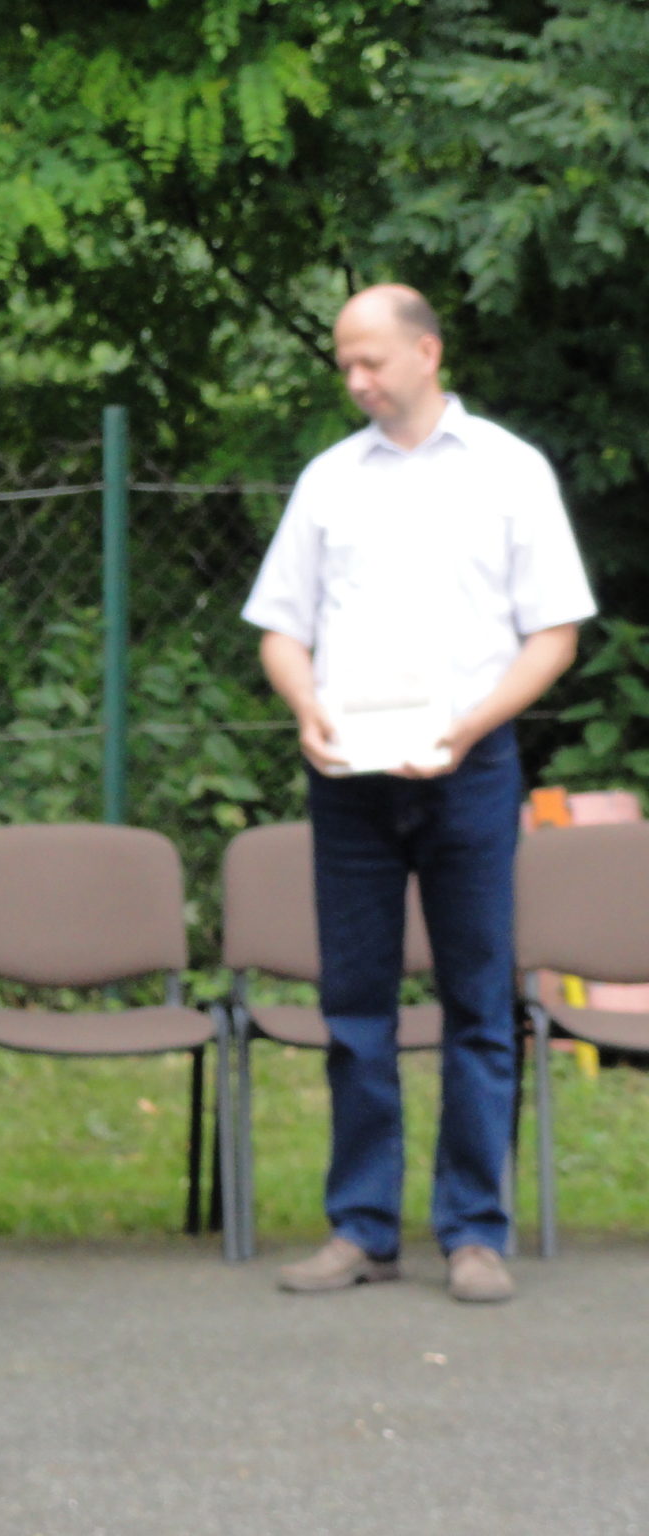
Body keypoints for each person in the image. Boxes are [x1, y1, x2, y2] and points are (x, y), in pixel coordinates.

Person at [242, 285, 596, 1304]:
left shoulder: (509, 471)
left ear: (427, 353)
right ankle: (360, 1227)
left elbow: (554, 634)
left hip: (469, 772)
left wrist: (470, 727)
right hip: (348, 779)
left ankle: (473, 1232)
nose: (355, 381)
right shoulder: (328, 480)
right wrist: (305, 708)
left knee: (477, 1003)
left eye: (371, 361)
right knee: (354, 1005)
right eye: (344, 366)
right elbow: (280, 628)